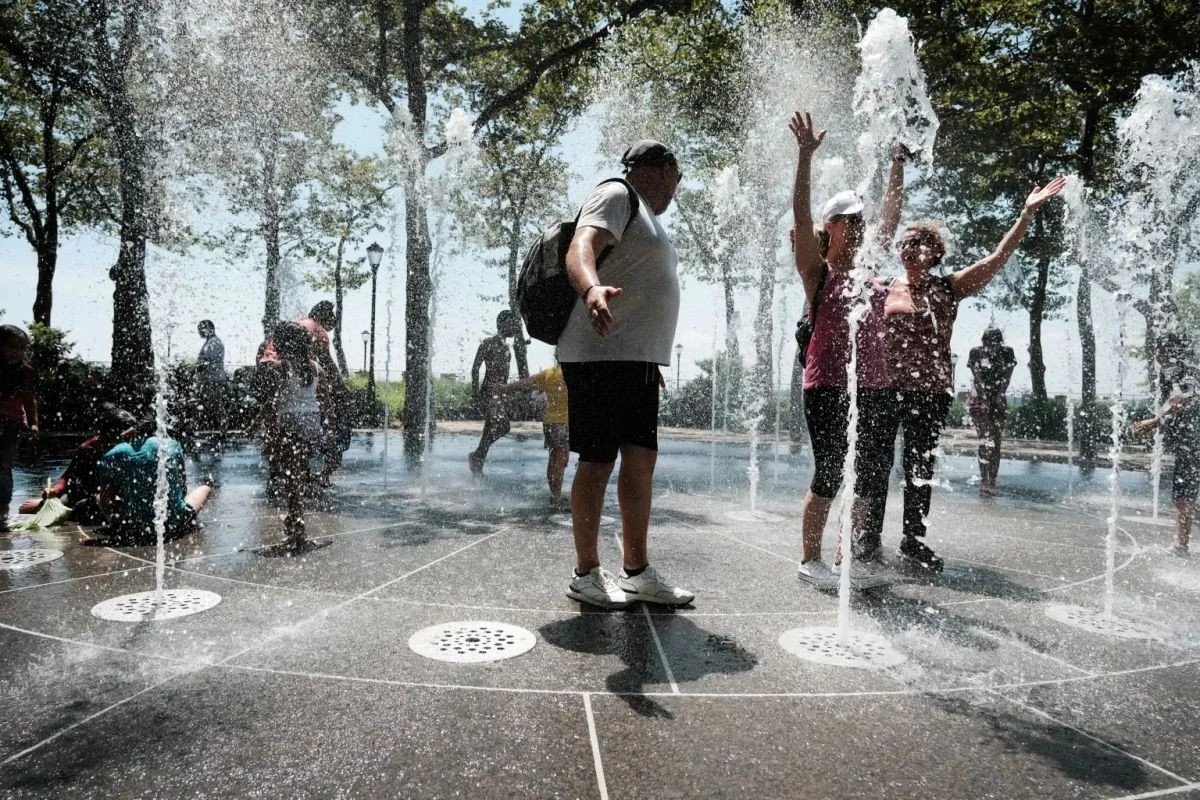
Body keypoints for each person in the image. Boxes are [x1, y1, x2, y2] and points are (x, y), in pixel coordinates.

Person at [872, 176, 1066, 572]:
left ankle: (913, 540)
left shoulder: (949, 288)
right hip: (885, 389)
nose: (907, 249)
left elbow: (996, 258)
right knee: (875, 465)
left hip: (930, 393)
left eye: (916, 242)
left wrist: (1026, 213)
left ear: (936, 252)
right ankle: (867, 536)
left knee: (919, 469)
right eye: (904, 243)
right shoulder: (884, 287)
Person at [555, 139, 693, 609]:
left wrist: (647, 358)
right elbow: (581, 246)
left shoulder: (647, 216)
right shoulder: (617, 194)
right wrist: (592, 290)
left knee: (640, 461)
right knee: (597, 462)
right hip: (598, 354)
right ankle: (586, 573)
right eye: (678, 177)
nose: (676, 189)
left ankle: (635, 571)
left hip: (633, 359)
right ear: (662, 169)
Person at [787, 112, 905, 588]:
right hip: (828, 386)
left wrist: (898, 163)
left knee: (871, 479)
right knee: (830, 473)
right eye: (850, 221)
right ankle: (810, 559)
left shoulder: (871, 272)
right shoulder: (817, 273)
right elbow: (799, 214)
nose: (860, 227)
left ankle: (846, 558)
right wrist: (804, 156)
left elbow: (892, 214)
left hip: (875, 386)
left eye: (863, 221)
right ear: (831, 226)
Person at [251, 321, 331, 552]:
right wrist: (330, 430)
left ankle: (297, 533)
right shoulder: (315, 367)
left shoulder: (281, 367)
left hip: (289, 426)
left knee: (291, 482)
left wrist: (259, 424)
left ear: (283, 343)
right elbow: (325, 400)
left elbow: (273, 402)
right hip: (311, 426)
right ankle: (296, 528)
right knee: (297, 478)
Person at [259, 301, 349, 485]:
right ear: (325, 317)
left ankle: (279, 471)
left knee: (279, 430)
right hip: (300, 405)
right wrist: (343, 390)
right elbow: (328, 366)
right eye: (332, 319)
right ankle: (316, 475)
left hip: (268, 371)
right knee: (326, 433)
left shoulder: (297, 322)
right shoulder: (318, 330)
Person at [1132, 331, 1199, 557]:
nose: (1155, 352)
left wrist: (1155, 420)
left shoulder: (1183, 368)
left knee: (1184, 495)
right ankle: (1181, 546)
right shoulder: (1172, 369)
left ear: (1168, 349)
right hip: (1190, 443)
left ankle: (1181, 546)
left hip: (1195, 442)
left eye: (1158, 347)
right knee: (1184, 494)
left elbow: (1185, 396)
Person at [88, 427, 212, 545]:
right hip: (173, 522)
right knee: (205, 488)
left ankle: (118, 525)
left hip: (132, 525)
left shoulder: (111, 455)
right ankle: (185, 517)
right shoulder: (172, 444)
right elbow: (183, 489)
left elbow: (106, 503)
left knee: (99, 497)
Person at [19, 403, 137, 524]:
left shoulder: (136, 450)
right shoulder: (88, 449)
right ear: (104, 436)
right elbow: (68, 476)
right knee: (72, 508)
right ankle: (41, 504)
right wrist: (54, 490)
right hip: (87, 496)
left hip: (115, 497)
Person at [496, 361, 570, 505]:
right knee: (561, 461)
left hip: (550, 423)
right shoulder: (573, 373)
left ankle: (555, 494)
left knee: (554, 458)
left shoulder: (549, 373)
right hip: (563, 424)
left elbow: (525, 382)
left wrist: (504, 388)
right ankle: (556, 498)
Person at [468, 311, 522, 474]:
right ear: (503, 324)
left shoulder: (507, 348)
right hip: (489, 392)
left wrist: (507, 394)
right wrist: (476, 393)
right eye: (513, 324)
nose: (516, 327)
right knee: (503, 427)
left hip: (500, 394)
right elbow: (475, 368)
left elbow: (504, 376)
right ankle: (477, 454)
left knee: (489, 429)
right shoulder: (488, 343)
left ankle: (478, 461)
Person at [968, 327, 1017, 497]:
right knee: (984, 439)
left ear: (1000, 341)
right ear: (983, 341)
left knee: (996, 441)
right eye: (988, 342)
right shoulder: (976, 352)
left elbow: (1007, 377)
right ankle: (984, 479)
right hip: (978, 399)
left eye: (995, 342)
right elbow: (977, 377)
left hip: (998, 399)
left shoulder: (1007, 353)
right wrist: (983, 399)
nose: (991, 345)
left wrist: (999, 395)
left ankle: (993, 480)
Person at [0, 325, 38, 533]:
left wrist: (33, 422)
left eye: (22, 348)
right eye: (12, 347)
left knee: (4, 467)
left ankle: (2, 511)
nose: (18, 352)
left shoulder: (25, 371)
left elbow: (29, 398)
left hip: (11, 423)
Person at [195, 320, 228, 440]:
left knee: (216, 405)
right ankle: (219, 430)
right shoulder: (210, 342)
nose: (198, 331)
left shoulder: (214, 343)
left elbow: (207, 361)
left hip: (214, 379)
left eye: (200, 328)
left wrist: (196, 369)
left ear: (208, 329)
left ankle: (222, 430)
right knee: (213, 405)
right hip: (210, 379)